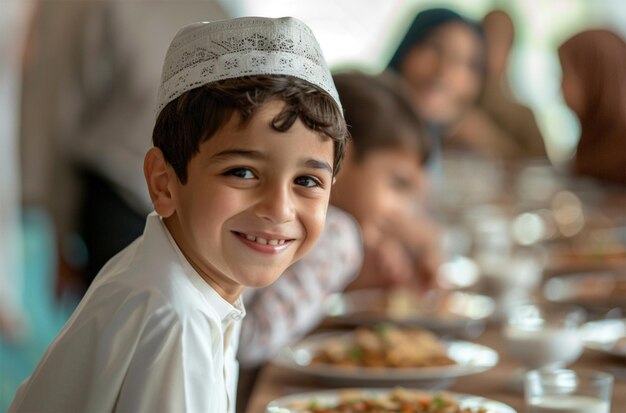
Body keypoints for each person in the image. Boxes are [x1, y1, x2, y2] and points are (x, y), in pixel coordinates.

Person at [9, 16, 348, 413]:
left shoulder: (178, 280)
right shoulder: (175, 317)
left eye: (307, 181)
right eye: (242, 172)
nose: (279, 208)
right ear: (163, 183)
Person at [237, 71, 438, 371]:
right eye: (397, 184)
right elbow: (250, 342)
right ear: (339, 153)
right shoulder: (337, 234)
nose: (403, 212)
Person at [387, 7, 486, 163]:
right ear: (407, 49)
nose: (444, 70)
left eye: (460, 61)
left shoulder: (431, 141)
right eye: (434, 48)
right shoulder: (362, 126)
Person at [451, 9, 546, 160]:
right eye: (483, 38)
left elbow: (542, 171)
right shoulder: (448, 108)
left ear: (509, 52)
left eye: (498, 41)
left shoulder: (523, 118)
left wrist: (489, 140)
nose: (488, 49)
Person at [558, 29, 626, 185]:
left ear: (593, 76)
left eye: (566, 74)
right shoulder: (593, 141)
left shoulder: (620, 154)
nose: (560, 87)